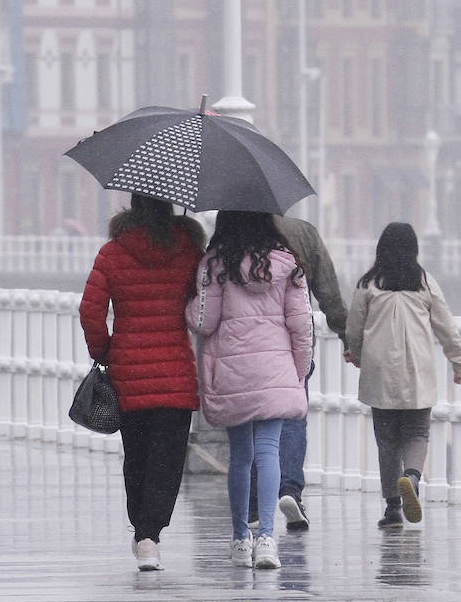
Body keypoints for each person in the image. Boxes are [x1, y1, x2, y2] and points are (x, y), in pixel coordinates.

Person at [79, 195, 205, 572]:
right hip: (176, 372)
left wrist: (103, 350)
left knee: (137, 456)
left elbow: (90, 311)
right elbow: (203, 304)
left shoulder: (113, 253)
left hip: (129, 371)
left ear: (131, 208)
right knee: (168, 460)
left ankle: (142, 533)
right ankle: (152, 534)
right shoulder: (189, 252)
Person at [186, 210, 314, 570]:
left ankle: (241, 538)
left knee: (241, 456)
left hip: (233, 370)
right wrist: (298, 374)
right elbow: (302, 327)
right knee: (269, 452)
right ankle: (268, 539)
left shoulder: (214, 264)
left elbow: (202, 322)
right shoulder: (288, 264)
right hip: (277, 370)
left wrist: (190, 300)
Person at [345, 222, 461, 529]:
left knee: (387, 441)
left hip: (379, 371)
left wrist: (355, 353)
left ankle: (392, 508)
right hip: (417, 369)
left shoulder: (368, 284)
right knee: (417, 432)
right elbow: (445, 325)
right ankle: (412, 477)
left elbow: (354, 328)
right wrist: (459, 361)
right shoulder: (424, 282)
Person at [272, 215, 349, 533]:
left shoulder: (231, 227)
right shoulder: (302, 233)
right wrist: (347, 335)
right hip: (293, 345)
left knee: (248, 429)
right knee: (292, 420)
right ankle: (290, 490)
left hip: (244, 349)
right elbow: (329, 292)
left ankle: (251, 503)